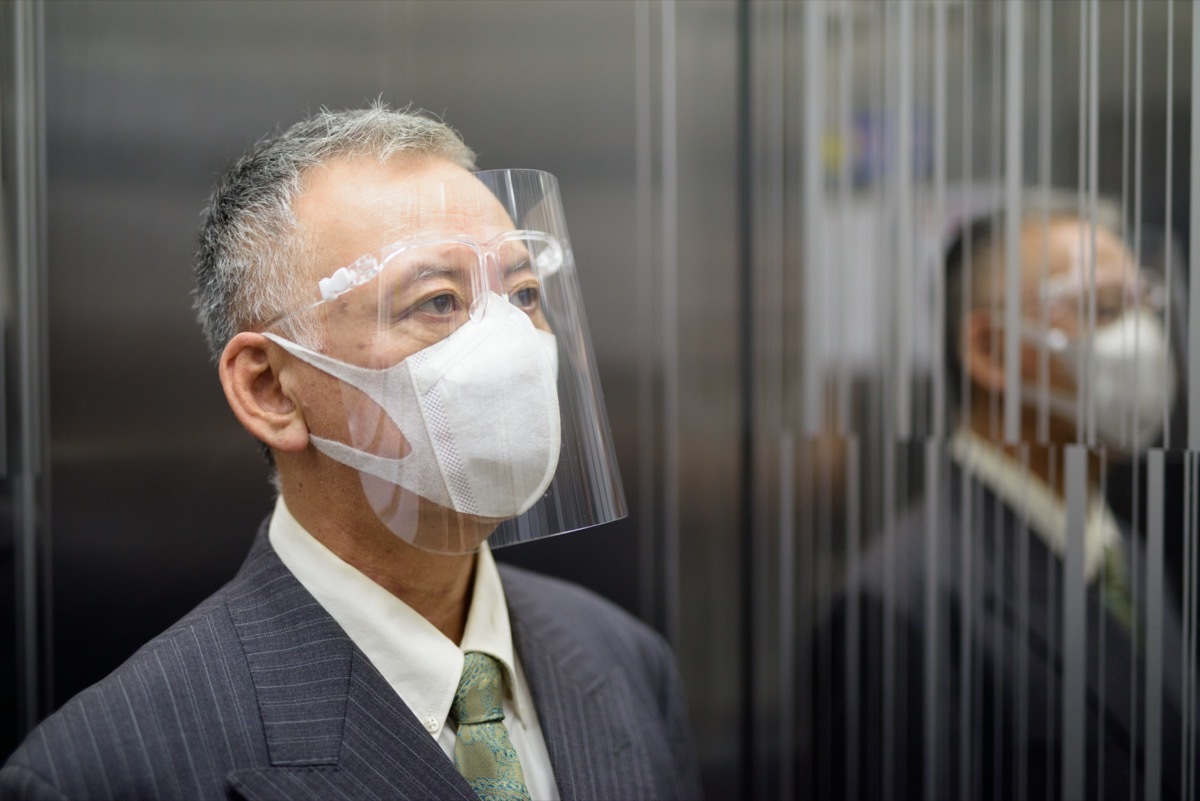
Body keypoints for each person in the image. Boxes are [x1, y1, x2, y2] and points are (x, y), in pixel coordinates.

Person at [0, 106, 702, 801]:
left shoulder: (627, 661)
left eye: (521, 292)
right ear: (272, 386)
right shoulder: (106, 770)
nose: (512, 344)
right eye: (437, 300)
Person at [817, 199, 1188, 800]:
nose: (1141, 339)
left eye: (1145, 306)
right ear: (990, 350)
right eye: (1105, 308)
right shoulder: (901, 606)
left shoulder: (1130, 561)